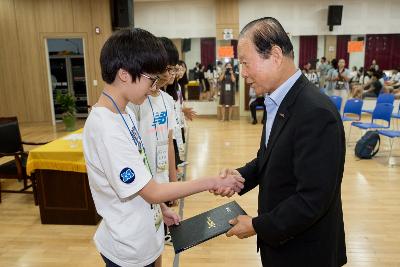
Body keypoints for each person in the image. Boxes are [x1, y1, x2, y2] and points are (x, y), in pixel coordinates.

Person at [82, 28, 244, 267]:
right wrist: (212, 182)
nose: (154, 86)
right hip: (128, 248)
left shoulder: (123, 113)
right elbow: (152, 191)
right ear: (125, 75)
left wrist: (159, 210)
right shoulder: (107, 128)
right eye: (151, 78)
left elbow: (142, 175)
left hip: (144, 231)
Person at [215, 17, 347, 267]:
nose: (242, 73)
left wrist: (256, 225)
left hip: (305, 252)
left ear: (275, 55)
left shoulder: (315, 112)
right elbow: (272, 157)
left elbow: (312, 199)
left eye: (245, 63)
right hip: (281, 244)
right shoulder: (278, 99)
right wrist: (240, 176)